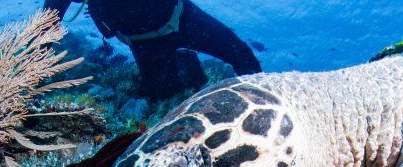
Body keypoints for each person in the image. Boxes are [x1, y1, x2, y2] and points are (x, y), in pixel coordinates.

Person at [43, 0, 261, 100]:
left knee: (242, 54)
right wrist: (33, 70)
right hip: (145, 46)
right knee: (166, 97)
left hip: (184, 19)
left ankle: (265, 106)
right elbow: (48, 21)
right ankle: (185, 62)